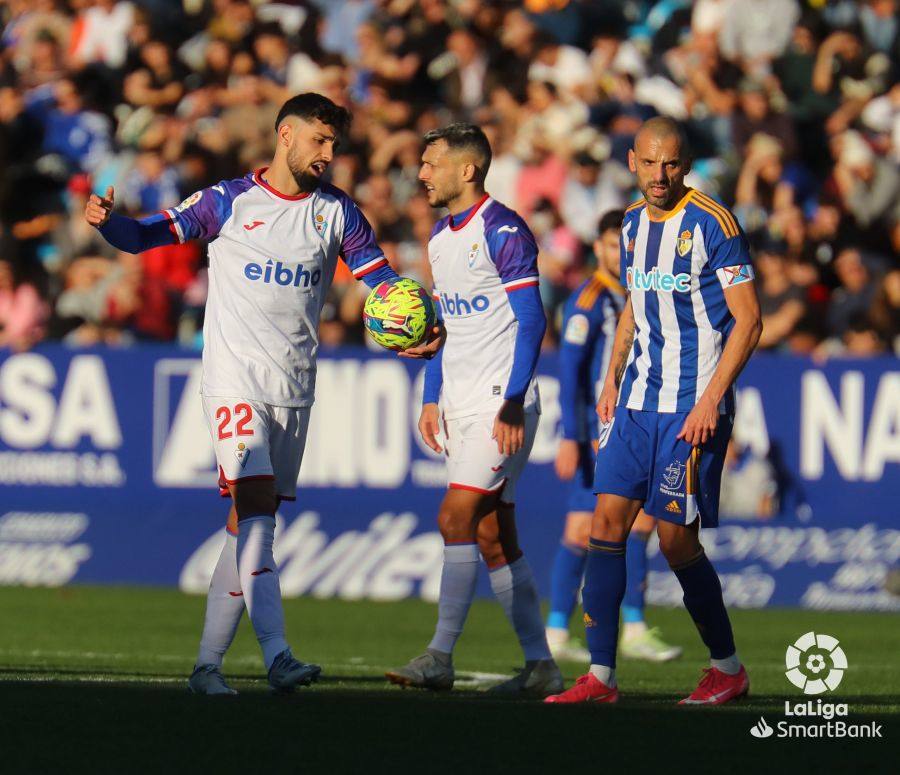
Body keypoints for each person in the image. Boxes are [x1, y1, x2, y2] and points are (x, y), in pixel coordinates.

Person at [85, 92, 440, 695]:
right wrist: (108, 222)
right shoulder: (230, 201)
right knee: (256, 514)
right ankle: (278, 655)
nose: (328, 154)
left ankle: (206, 668)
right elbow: (151, 235)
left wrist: (407, 331)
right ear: (285, 135)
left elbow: (379, 284)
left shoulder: (339, 214)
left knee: (246, 523)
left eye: (334, 143)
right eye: (318, 141)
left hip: (293, 387)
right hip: (234, 379)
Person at [546, 117, 762, 705]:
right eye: (648, 162)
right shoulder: (634, 225)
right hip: (637, 403)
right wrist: (613, 378)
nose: (659, 174)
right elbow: (635, 309)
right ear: (633, 163)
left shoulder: (715, 223)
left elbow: (749, 319)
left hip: (692, 406)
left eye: (670, 163)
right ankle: (600, 677)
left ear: (685, 163)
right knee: (605, 527)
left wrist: (712, 401)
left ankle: (727, 667)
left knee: (674, 543)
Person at [385, 123, 562, 696]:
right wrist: (431, 395)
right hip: (458, 401)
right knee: (492, 535)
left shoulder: (504, 230)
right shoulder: (440, 237)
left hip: (499, 404)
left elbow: (532, 319)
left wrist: (513, 401)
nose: (422, 173)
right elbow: (447, 327)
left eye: (431, 162)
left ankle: (439, 656)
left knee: (454, 518)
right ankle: (541, 666)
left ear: (467, 169)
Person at [546, 209, 682, 664]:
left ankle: (565, 631)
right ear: (597, 249)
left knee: (611, 526)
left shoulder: (634, 294)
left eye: (622, 244)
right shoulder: (589, 300)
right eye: (608, 244)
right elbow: (570, 371)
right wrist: (573, 434)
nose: (617, 252)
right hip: (600, 429)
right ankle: (617, 628)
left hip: (629, 422)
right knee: (601, 527)